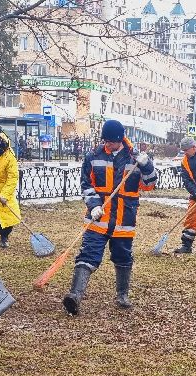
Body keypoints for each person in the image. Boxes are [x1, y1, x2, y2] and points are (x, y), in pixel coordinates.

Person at [63, 119, 157, 315]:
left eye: (111, 142)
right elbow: (86, 185)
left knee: (123, 257)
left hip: (124, 220)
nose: (108, 145)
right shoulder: (93, 157)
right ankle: (74, 296)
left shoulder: (135, 159)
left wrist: (147, 166)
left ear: (121, 139)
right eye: (105, 141)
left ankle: (122, 295)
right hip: (98, 218)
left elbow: (149, 185)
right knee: (88, 255)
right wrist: (94, 205)